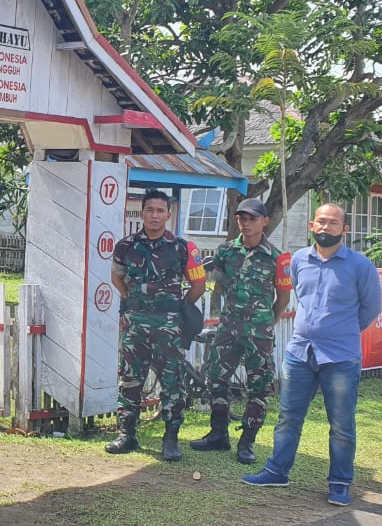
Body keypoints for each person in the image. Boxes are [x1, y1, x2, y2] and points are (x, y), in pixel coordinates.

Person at [243, 203, 382, 506]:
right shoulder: (298, 260)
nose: (326, 227)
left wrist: (339, 331)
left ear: (345, 230)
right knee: (289, 417)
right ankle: (277, 470)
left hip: (341, 357)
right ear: (310, 226)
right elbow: (300, 297)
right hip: (300, 352)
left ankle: (340, 483)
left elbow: (371, 309)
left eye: (333, 223)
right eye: (321, 222)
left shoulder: (360, 266)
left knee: (342, 424)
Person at [189, 198, 292, 464]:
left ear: (264, 221)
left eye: (252, 219)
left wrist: (268, 321)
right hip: (229, 329)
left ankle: (247, 442)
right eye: (242, 219)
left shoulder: (277, 258)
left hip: (259, 333)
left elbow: (283, 297)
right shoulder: (226, 253)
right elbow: (219, 288)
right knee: (215, 378)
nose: (246, 224)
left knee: (258, 386)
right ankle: (219, 434)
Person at [108, 189, 207, 461]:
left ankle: (171, 438)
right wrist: (131, 300)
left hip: (169, 326)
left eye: (160, 211)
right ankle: (126, 435)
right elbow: (116, 277)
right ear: (142, 213)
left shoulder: (183, 247)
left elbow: (199, 284)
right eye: (150, 210)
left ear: (169, 214)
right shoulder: (126, 245)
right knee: (130, 379)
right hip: (134, 324)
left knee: (172, 381)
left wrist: (180, 306)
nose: (155, 216)